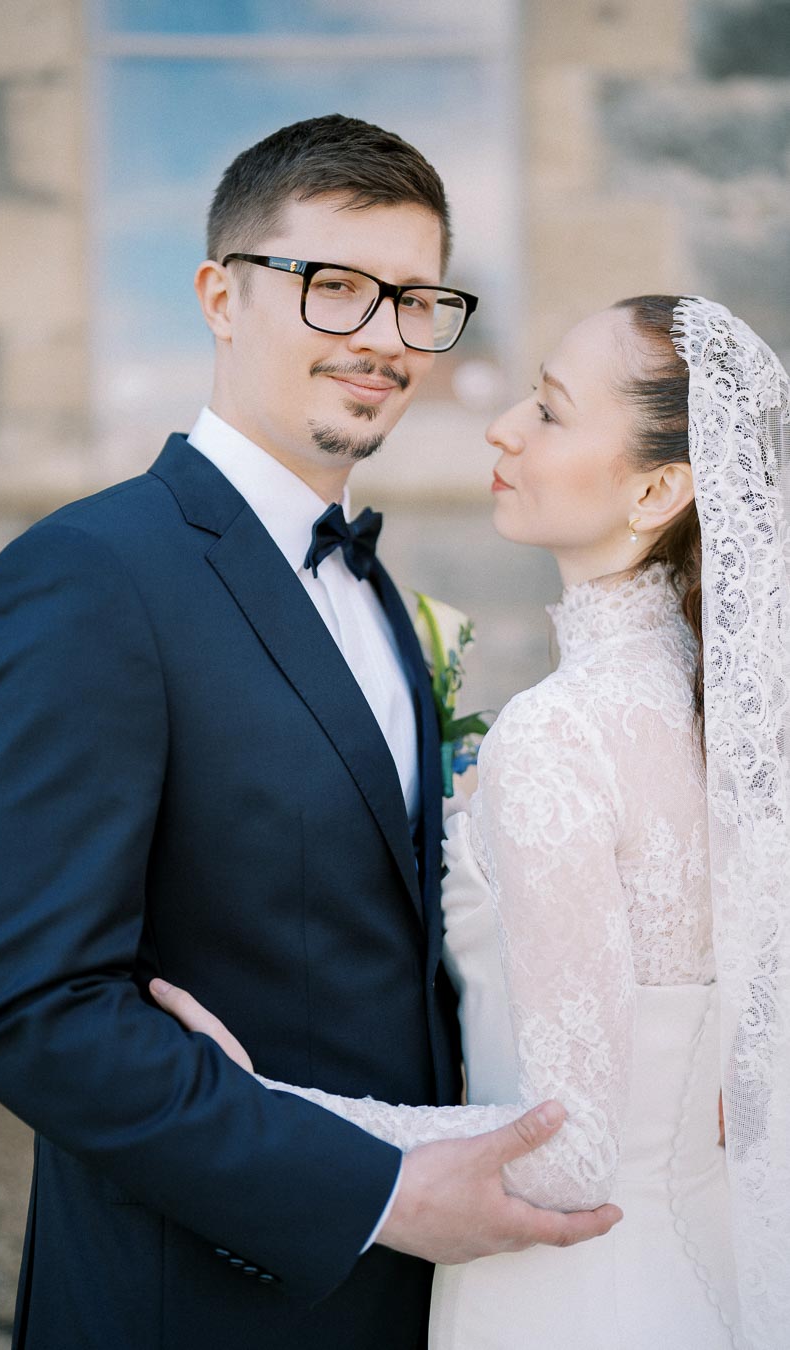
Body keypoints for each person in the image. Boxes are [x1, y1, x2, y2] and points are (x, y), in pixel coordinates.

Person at [0, 114, 619, 1350]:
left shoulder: (387, 602)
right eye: (336, 288)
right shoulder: (87, 578)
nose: (383, 340)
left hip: (420, 1293)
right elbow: (27, 1007)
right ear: (219, 294)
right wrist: (376, 1190)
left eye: (418, 301)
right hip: (199, 1297)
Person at [151, 293, 790, 1349]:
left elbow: (563, 1155)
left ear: (659, 487)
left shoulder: (562, 735)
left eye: (549, 410)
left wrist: (260, 1104)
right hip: (700, 1267)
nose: (503, 427)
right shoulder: (726, 717)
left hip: (569, 1301)